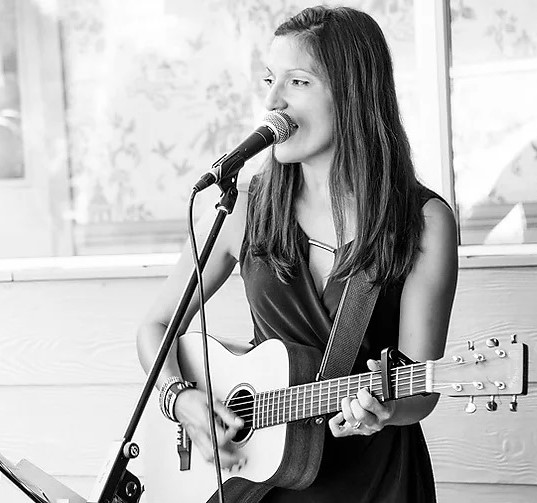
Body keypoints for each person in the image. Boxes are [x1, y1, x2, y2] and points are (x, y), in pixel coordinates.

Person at [137, 5, 458, 502]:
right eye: (270, 80)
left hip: (378, 485)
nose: (272, 102)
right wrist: (182, 401)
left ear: (354, 94)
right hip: (259, 482)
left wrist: (386, 410)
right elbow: (154, 329)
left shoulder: (421, 222)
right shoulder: (242, 209)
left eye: (298, 82)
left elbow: (422, 387)